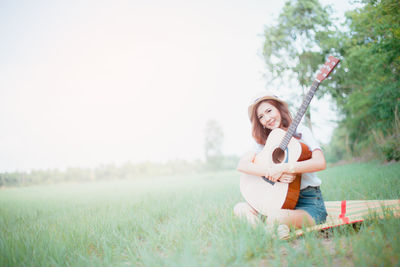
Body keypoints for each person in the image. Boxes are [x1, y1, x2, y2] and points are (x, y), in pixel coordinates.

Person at [234, 92, 328, 238]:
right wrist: (271, 172)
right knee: (240, 209)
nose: (267, 118)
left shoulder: (301, 132)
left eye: (269, 111)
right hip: (275, 200)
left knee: (275, 217)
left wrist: (284, 167)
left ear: (278, 108)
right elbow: (242, 165)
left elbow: (320, 162)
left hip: (307, 202)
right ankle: (268, 234)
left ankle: (271, 229)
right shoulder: (263, 142)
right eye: (261, 117)